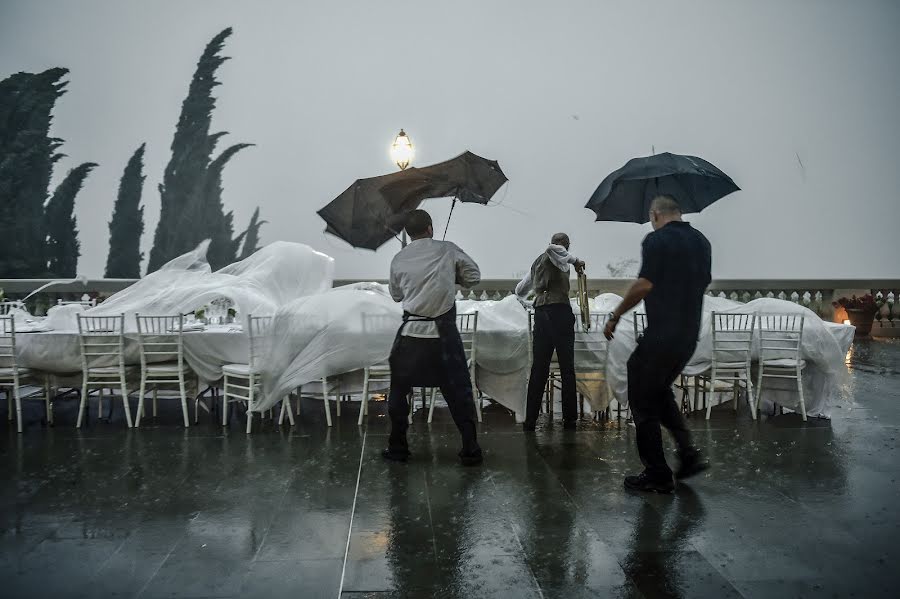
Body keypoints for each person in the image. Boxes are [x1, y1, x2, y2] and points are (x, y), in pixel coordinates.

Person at [604, 195, 711, 493]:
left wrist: (615, 315)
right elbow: (703, 281)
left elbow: (644, 284)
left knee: (641, 399)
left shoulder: (656, 240)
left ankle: (656, 472)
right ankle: (688, 455)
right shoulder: (702, 242)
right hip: (688, 336)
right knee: (659, 391)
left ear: (655, 214)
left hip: (661, 334)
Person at [383, 209, 483, 466]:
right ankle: (470, 449)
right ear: (430, 228)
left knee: (398, 391)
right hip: (443, 337)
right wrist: (451, 277)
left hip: (410, 336)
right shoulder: (447, 249)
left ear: (408, 232)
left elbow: (396, 295)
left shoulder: (398, 258)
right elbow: (473, 276)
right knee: (458, 392)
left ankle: (398, 449)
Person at [515, 233, 585, 432]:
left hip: (541, 314)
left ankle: (530, 420)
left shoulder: (538, 261)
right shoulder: (555, 253)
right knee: (567, 368)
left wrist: (530, 301)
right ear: (565, 245)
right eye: (567, 246)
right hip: (559, 312)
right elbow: (557, 250)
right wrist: (577, 261)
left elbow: (520, 289)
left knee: (539, 368)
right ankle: (570, 419)